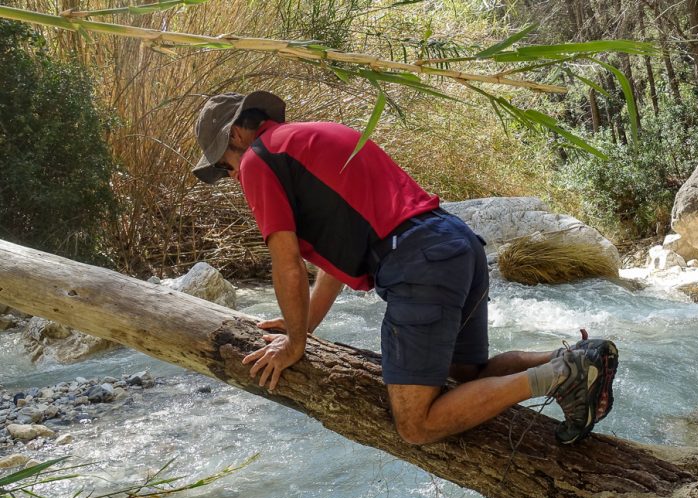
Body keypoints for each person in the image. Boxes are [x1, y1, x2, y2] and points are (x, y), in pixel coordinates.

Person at [191, 90, 617, 445]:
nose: (230, 176)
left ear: (236, 134)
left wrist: (294, 346)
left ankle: (563, 374)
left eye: (223, 166)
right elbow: (335, 264)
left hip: (416, 263)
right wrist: (303, 327)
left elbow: (284, 262)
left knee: (417, 425)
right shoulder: (310, 138)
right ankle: (578, 356)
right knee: (464, 374)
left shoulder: (257, 159)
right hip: (455, 244)